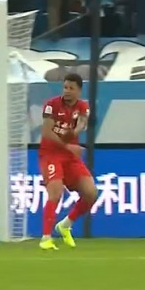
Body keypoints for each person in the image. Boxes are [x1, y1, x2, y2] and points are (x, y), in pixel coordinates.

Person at [38, 73, 95, 251]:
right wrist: (68, 146)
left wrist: (75, 132)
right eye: (65, 87)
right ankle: (46, 238)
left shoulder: (83, 106)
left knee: (91, 193)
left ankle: (65, 224)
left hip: (70, 157)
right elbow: (47, 132)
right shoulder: (52, 105)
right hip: (51, 154)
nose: (67, 91)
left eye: (71, 88)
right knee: (55, 192)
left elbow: (82, 123)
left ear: (79, 91)